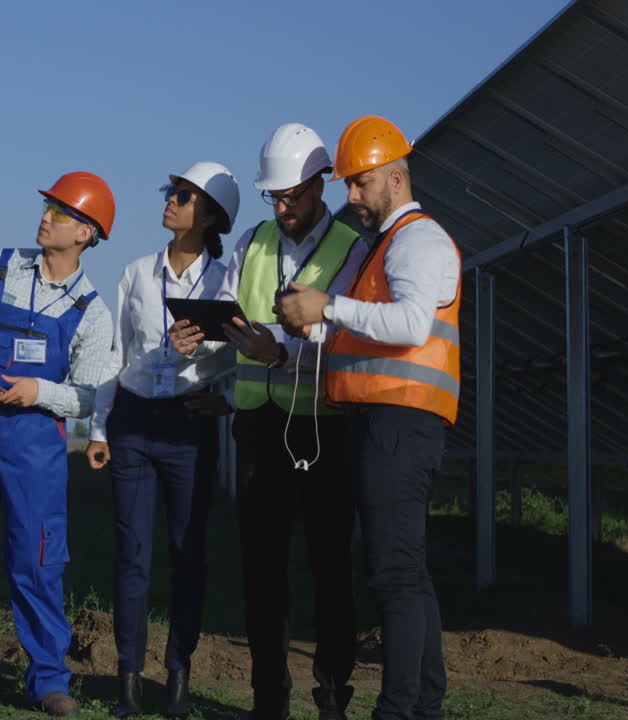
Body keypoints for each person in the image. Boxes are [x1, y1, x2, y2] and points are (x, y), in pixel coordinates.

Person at [170, 123, 369, 720]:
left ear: (320, 185)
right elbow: (227, 321)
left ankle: (332, 697)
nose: (282, 209)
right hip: (259, 431)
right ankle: (268, 701)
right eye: (274, 198)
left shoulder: (352, 250)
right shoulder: (252, 242)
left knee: (331, 569)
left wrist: (280, 352)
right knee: (262, 572)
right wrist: (196, 337)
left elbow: (349, 342)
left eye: (292, 197)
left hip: (323, 429)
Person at [276, 115, 461, 720]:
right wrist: (300, 330)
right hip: (381, 420)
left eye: (362, 182)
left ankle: (398, 709)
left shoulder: (418, 240)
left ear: (396, 178)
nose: (351, 195)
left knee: (394, 576)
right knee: (407, 572)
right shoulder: (380, 247)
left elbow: (410, 324)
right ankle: (422, 704)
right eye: (349, 183)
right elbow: (357, 331)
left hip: (400, 422)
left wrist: (328, 304)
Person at [0, 172, 116, 717]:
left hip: (35, 441)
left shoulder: (92, 310)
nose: (45, 217)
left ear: (85, 233)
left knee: (37, 558)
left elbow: (87, 394)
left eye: (60, 212)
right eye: (47, 207)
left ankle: (48, 679)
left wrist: (39, 391)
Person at [85, 162, 239, 719]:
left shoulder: (226, 282)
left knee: (187, 554)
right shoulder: (135, 273)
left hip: (188, 425)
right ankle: (128, 678)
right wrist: (99, 427)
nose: (170, 200)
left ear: (211, 216)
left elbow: (238, 354)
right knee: (132, 553)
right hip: (132, 419)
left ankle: (178, 675)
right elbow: (117, 354)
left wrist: (227, 399)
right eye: (171, 191)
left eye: (184, 195)